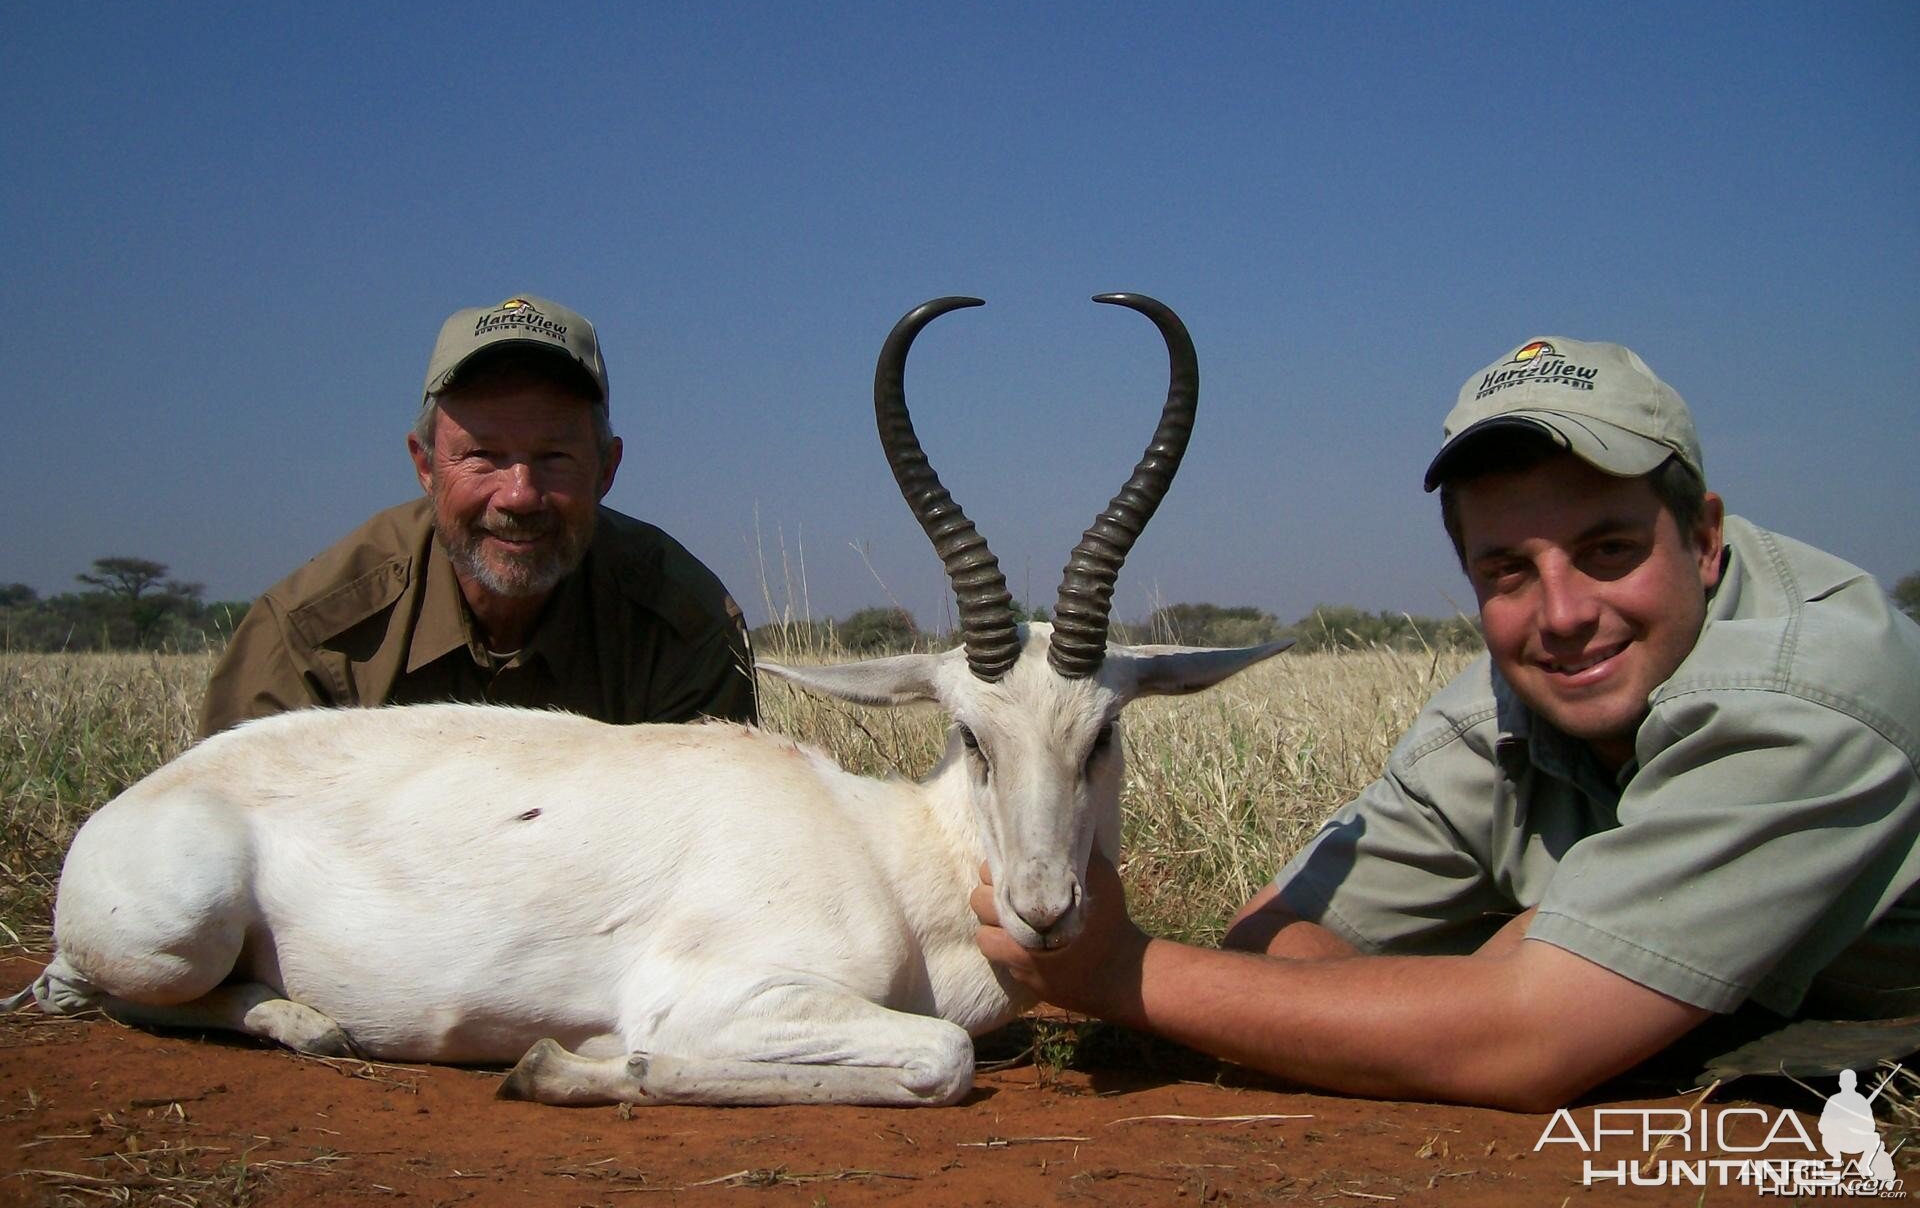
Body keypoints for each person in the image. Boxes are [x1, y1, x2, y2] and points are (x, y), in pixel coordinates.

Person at [974, 336, 1920, 1110]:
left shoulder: (1812, 692)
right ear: (1470, 573)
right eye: (1508, 569)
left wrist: (1116, 976)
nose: (1560, 615)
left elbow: (1527, 1044)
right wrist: (1497, 985)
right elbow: (1276, 934)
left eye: (1610, 549)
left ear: (1704, 541)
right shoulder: (1496, 717)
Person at [201, 294, 757, 735]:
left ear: (606, 470)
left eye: (555, 457)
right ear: (425, 467)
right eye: (483, 456)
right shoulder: (307, 637)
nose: (519, 495)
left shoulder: (687, 630)